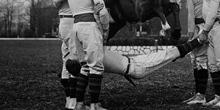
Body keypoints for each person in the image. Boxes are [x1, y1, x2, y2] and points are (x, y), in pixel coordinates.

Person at [66, 0, 113, 110]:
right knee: (96, 66)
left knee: (85, 66)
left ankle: (79, 104)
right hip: (89, 27)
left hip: (76, 27)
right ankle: (94, 106)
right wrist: (106, 28)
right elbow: (102, 10)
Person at [65, 36, 205, 83]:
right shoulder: (92, 56)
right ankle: (199, 40)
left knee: (170, 54)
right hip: (137, 67)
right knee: (171, 53)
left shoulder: (88, 59)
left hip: (134, 63)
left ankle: (195, 42)